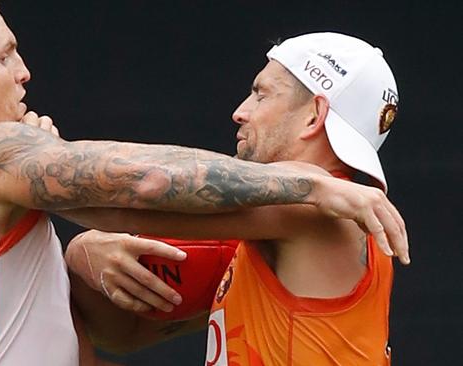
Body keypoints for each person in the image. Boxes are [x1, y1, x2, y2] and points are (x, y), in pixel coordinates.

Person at [65, 32, 406, 365]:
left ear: (313, 115)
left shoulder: (309, 211)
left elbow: (135, 195)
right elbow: (125, 336)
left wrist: (38, 159)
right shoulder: (277, 231)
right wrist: (83, 255)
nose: (241, 111)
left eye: (261, 94)